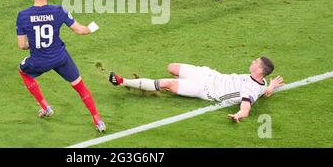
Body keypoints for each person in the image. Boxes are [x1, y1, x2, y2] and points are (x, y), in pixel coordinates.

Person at [16, 0, 106, 132]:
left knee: (22, 71)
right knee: (80, 87)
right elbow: (80, 31)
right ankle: (98, 120)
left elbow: (21, 45)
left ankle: (46, 107)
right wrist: (92, 27)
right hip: (60, 58)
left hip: (39, 61)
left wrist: (34, 44)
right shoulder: (59, 10)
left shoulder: (23, 15)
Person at [109, 57, 284, 122]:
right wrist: (271, 86)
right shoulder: (260, 85)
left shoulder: (250, 90)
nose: (252, 62)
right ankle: (176, 85)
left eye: (256, 62)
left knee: (167, 83)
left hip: (204, 89)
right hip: (208, 74)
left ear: (259, 70)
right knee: (172, 66)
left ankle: (122, 81)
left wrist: (238, 115)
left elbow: (246, 107)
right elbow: (264, 92)